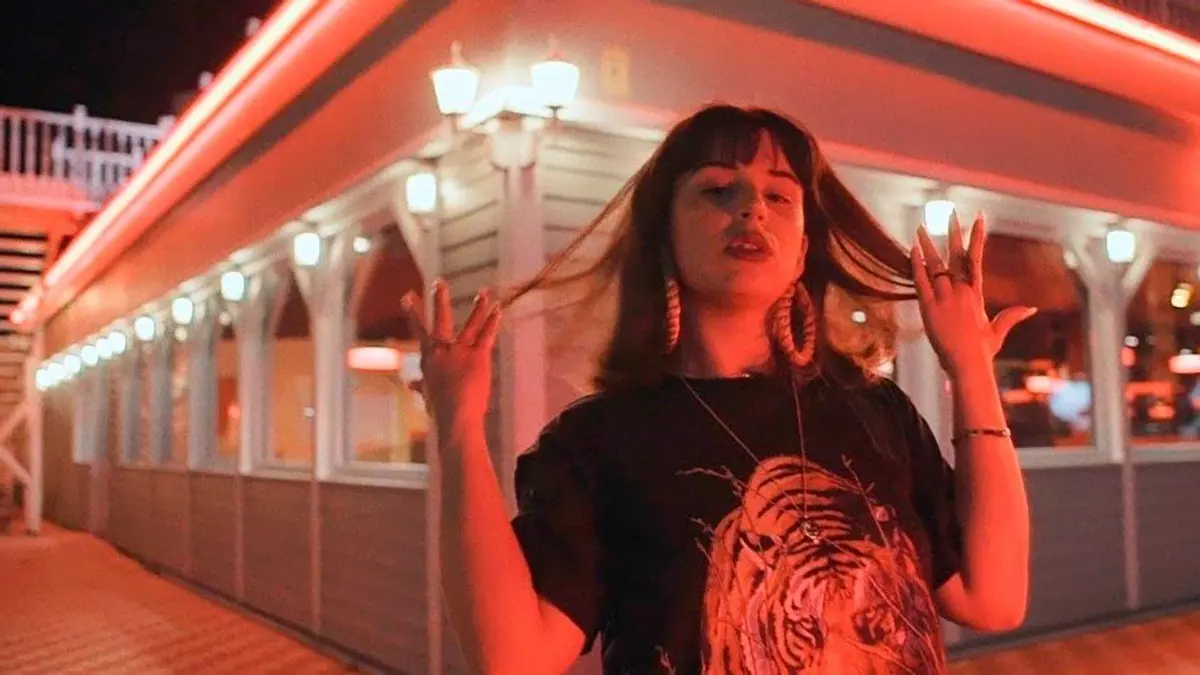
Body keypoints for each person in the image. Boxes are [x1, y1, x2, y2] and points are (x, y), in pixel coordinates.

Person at [402, 105, 1033, 674]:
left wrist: (971, 370)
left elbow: (994, 599)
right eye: (717, 189)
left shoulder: (876, 411)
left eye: (779, 195)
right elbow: (513, 659)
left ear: (802, 249)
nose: (752, 208)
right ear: (664, 236)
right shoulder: (598, 441)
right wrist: (457, 427)